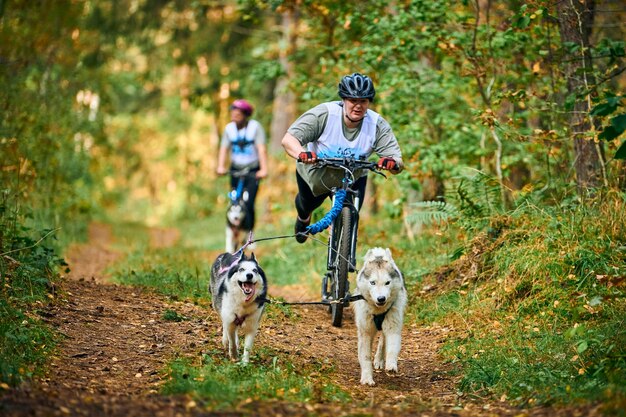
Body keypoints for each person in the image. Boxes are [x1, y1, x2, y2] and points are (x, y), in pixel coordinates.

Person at [281, 73, 403, 243]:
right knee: (306, 204)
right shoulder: (323, 114)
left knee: (351, 216)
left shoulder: (376, 124)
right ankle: (303, 218)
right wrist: (303, 153)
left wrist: (391, 162)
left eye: (363, 101)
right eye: (353, 101)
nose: (358, 106)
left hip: (352, 177)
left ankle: (340, 256)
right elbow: (289, 139)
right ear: (344, 100)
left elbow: (395, 159)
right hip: (317, 174)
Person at [217, 99, 268, 240]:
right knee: (234, 199)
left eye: (238, 114)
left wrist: (263, 169)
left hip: (252, 169)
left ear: (245, 115)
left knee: (249, 202)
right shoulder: (229, 129)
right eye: (233, 114)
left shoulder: (255, 128)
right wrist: (220, 166)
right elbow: (223, 148)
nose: (234, 117)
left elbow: (261, 149)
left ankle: (250, 234)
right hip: (235, 169)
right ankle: (232, 231)